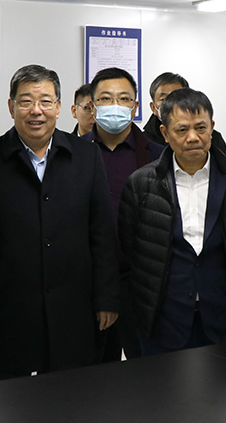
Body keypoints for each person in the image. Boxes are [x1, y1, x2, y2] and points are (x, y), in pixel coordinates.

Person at [0, 64, 120, 381]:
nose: (36, 110)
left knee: (74, 396)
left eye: (46, 101)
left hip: (74, 311)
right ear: (11, 107)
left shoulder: (86, 157)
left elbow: (101, 233)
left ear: (59, 107)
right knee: (8, 399)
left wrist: (107, 298)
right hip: (9, 313)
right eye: (26, 101)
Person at [120, 88, 226, 355]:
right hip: (163, 320)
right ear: (164, 133)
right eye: (182, 129)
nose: (193, 137)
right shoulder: (141, 184)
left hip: (223, 317)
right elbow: (131, 251)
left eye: (201, 128)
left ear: (212, 127)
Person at [82, 67, 164, 361]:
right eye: (106, 99)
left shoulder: (158, 155)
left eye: (124, 98)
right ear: (92, 106)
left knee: (147, 372)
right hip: (88, 284)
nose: (115, 106)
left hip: (142, 284)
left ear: (135, 106)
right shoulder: (72, 154)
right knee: (90, 374)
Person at [143, 72, 226, 152]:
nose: (170, 104)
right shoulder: (143, 141)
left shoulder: (213, 138)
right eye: (164, 99)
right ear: (153, 108)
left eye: (177, 98)